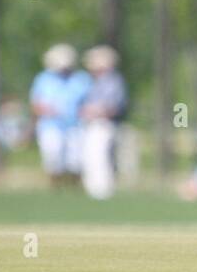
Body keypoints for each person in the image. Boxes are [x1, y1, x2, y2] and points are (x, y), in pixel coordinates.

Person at [30, 44, 91, 184]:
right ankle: (56, 185)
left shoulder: (81, 79)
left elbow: (88, 101)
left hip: (76, 125)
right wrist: (47, 111)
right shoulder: (43, 79)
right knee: (53, 156)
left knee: (75, 159)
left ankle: (74, 185)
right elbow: (36, 104)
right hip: (50, 125)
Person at [79, 46, 127, 200]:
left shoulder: (113, 81)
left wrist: (95, 112)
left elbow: (114, 105)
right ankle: (94, 189)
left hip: (104, 124)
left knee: (101, 157)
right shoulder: (95, 82)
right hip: (92, 124)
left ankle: (102, 190)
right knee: (91, 157)